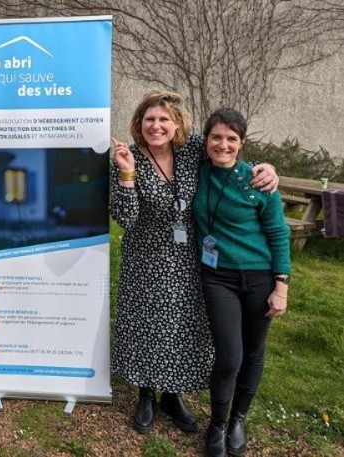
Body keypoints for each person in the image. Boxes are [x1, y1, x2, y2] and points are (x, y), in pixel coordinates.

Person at [110, 89, 279, 435]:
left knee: (183, 325)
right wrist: (127, 173)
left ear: (177, 124)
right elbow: (125, 218)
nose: (156, 126)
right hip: (145, 258)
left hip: (191, 256)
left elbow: (228, 153)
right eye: (149, 119)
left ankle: (172, 395)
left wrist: (267, 169)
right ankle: (146, 393)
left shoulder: (191, 150)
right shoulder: (128, 157)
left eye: (164, 119)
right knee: (148, 323)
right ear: (139, 123)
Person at [194, 108, 290, 457]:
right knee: (229, 357)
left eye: (231, 139)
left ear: (242, 143)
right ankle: (218, 424)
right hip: (218, 277)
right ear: (205, 140)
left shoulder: (258, 181)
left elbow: (278, 233)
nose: (223, 145)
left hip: (260, 277)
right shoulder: (197, 170)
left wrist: (281, 287)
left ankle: (238, 420)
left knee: (253, 352)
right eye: (216, 137)